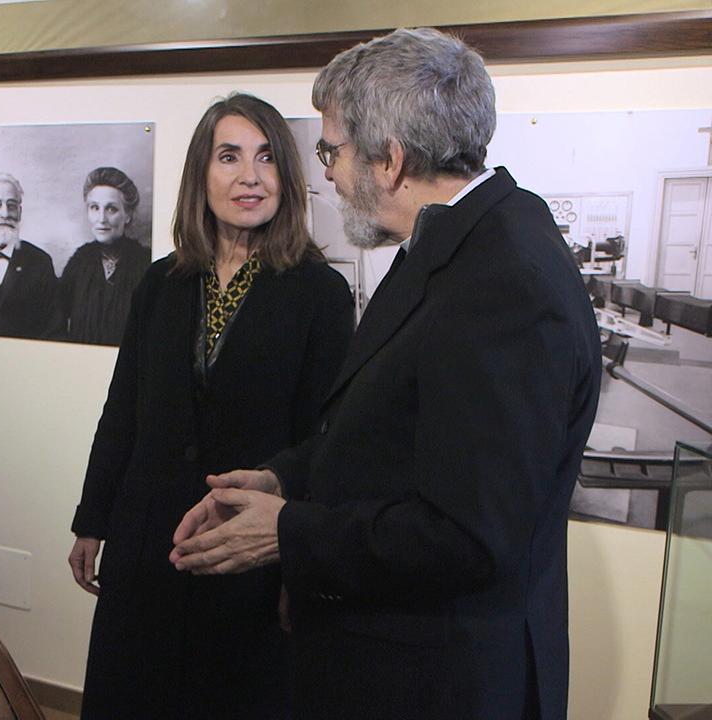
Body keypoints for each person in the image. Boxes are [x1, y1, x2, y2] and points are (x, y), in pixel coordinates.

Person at [170, 28, 601, 720]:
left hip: (440, 682)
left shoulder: (502, 279)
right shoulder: (452, 242)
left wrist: (287, 532)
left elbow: (467, 536)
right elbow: (389, 430)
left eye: (333, 152)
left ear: (390, 160)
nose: (329, 174)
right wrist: (287, 477)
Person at [69, 93, 354, 719]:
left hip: (245, 550)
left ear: (287, 177)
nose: (249, 177)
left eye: (266, 159)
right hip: (148, 543)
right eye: (229, 157)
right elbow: (123, 409)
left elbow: (326, 439)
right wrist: (92, 518)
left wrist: (297, 566)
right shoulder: (161, 282)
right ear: (202, 172)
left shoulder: (320, 293)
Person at [60, 167, 152, 346]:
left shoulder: (145, 263)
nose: (101, 218)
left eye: (111, 209)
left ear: (128, 215)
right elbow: (55, 321)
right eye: (94, 208)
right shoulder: (79, 262)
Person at [0, 172, 60, 340]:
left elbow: (53, 329)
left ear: (20, 212)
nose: (5, 213)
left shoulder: (40, 262)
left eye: (11, 205)